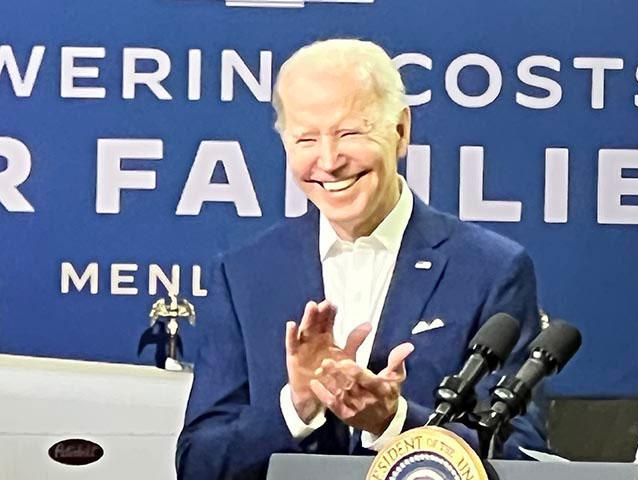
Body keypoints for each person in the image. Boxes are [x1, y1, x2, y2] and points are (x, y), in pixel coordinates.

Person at [176, 39, 546, 480]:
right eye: (306, 138)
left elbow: (518, 454)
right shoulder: (245, 274)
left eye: (349, 132)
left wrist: (393, 423)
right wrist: (297, 407)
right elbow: (198, 465)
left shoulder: (491, 269)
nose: (329, 161)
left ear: (401, 131)